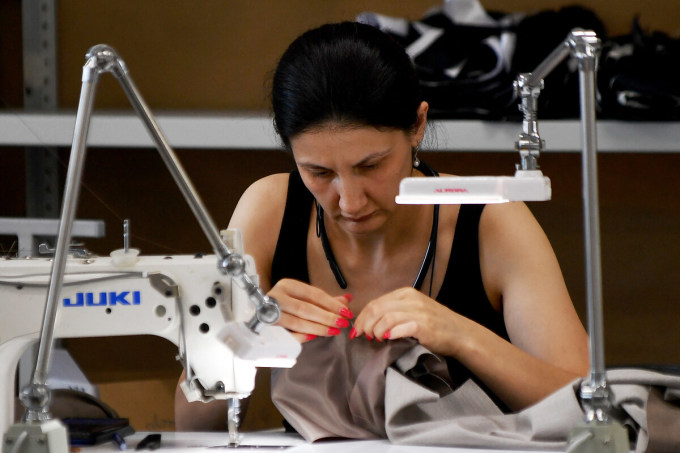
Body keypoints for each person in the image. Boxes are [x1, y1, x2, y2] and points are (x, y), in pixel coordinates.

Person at [175, 21, 589, 431]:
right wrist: (246, 338)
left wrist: (460, 334)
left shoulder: (490, 221)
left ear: (418, 126)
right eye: (318, 172)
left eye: (370, 166)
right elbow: (192, 427)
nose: (350, 201)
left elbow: (590, 408)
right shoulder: (270, 211)